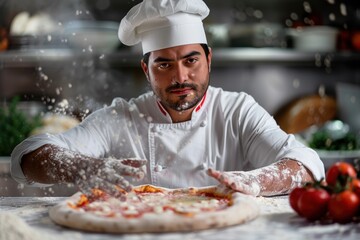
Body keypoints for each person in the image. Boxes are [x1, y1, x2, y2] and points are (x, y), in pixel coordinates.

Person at [11, 0, 324, 197]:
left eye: (191, 60)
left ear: (209, 59)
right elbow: (26, 156)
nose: (180, 77)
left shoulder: (236, 110)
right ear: (146, 69)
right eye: (164, 64)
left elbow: (307, 163)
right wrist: (84, 167)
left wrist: (256, 181)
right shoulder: (121, 118)